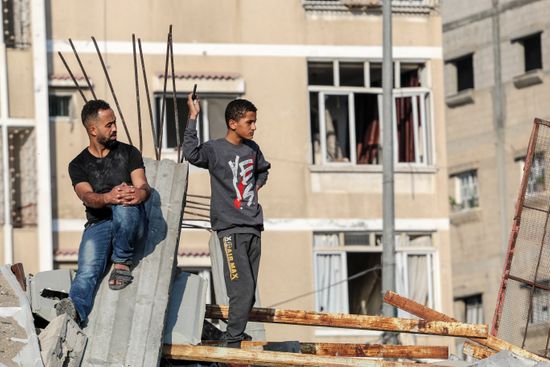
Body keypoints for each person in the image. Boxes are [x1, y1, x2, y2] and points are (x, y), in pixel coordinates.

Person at [183, 93, 271, 348]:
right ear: (233, 123)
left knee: (249, 294)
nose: (254, 127)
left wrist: (254, 186)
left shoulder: (252, 149)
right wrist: (193, 116)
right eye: (250, 122)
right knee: (240, 291)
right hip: (230, 229)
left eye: (255, 122)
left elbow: (263, 170)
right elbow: (191, 153)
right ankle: (231, 346)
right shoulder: (215, 149)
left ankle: (234, 337)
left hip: (254, 227)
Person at [56, 99, 150, 325]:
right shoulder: (77, 164)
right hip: (98, 224)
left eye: (114, 123)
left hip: (130, 220)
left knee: (125, 203)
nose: (115, 128)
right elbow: (86, 196)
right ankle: (74, 314)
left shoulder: (129, 153)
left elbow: (143, 185)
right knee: (86, 271)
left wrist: (139, 194)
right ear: (92, 129)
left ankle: (121, 261)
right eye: (109, 125)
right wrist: (108, 197)